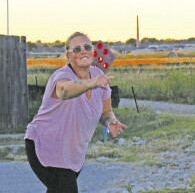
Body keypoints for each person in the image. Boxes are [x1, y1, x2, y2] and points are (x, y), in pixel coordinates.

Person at [25, 32, 127, 192]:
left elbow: (106, 111)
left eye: (87, 47)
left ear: (93, 51)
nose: (83, 51)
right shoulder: (61, 76)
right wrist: (90, 82)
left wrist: (110, 121)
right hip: (45, 147)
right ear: (68, 56)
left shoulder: (99, 76)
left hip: (72, 154)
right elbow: (64, 90)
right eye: (77, 49)